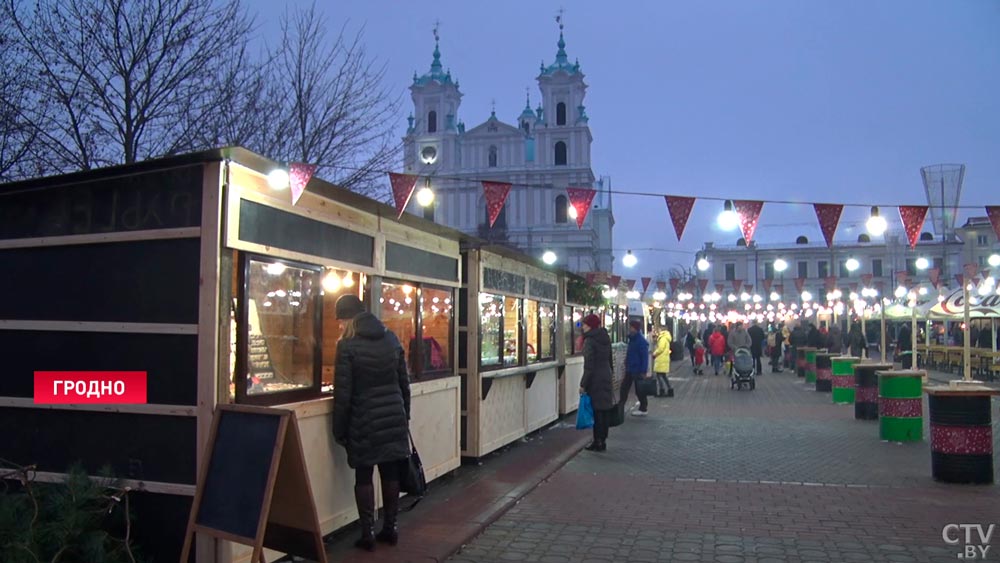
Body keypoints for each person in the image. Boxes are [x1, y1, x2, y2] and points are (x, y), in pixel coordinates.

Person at [332, 295, 411, 551]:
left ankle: (367, 534)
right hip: (393, 417)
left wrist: (339, 428)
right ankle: (390, 529)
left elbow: (343, 394)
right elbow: (404, 383)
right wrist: (404, 415)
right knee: (390, 472)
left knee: (364, 475)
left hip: (363, 419)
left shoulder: (347, 345)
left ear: (348, 319)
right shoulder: (391, 338)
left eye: (340, 320)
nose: (339, 326)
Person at [579, 314, 614, 451]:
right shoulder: (605, 338)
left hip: (595, 379)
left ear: (590, 325)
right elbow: (610, 359)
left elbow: (589, 366)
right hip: (606, 375)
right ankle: (603, 440)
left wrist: (583, 384)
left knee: (596, 411)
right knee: (604, 411)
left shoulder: (589, 341)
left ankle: (597, 441)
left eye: (585, 324)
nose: (583, 326)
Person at [622, 321, 651, 416]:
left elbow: (644, 357)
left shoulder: (640, 341)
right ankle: (621, 406)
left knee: (639, 389)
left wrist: (643, 371)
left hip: (637, 369)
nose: (629, 329)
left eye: (631, 327)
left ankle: (643, 408)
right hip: (630, 368)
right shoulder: (632, 339)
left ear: (635, 328)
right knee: (624, 388)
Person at [652, 326, 674, 396]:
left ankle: (662, 390)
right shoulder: (666, 338)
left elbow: (661, 348)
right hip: (664, 359)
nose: (658, 331)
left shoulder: (662, 338)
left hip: (661, 359)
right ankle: (670, 389)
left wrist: (654, 354)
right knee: (663, 376)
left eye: (659, 329)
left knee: (659, 376)